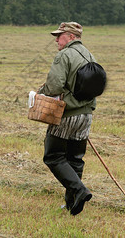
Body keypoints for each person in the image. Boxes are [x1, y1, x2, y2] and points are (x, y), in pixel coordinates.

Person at [37, 22, 96, 216]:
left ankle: (79, 190)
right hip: (86, 116)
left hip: (67, 115)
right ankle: (73, 204)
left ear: (71, 36)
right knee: (75, 159)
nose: (56, 39)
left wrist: (40, 93)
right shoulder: (89, 55)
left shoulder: (64, 55)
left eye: (59, 35)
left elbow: (54, 86)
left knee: (53, 156)